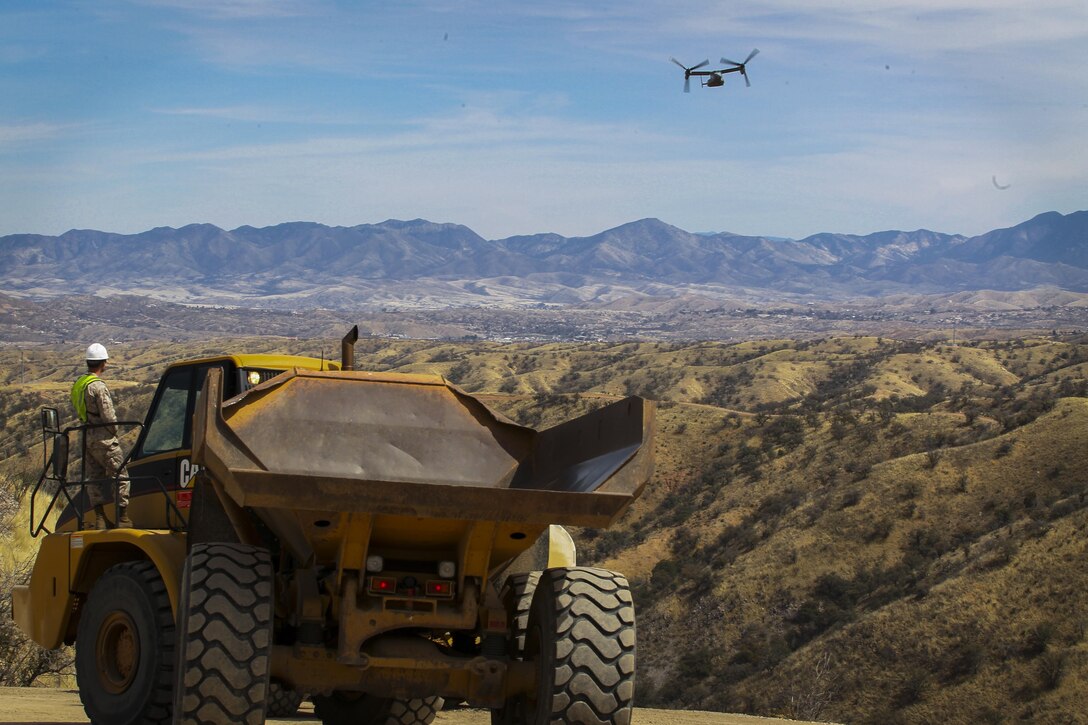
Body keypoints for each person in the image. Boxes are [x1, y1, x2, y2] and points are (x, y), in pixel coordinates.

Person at [70, 343, 132, 529]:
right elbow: (108, 415)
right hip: (104, 437)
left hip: (87, 436)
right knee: (120, 475)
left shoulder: (80, 385)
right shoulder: (98, 386)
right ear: (103, 363)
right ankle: (123, 518)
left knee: (94, 477)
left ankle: (99, 519)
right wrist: (114, 432)